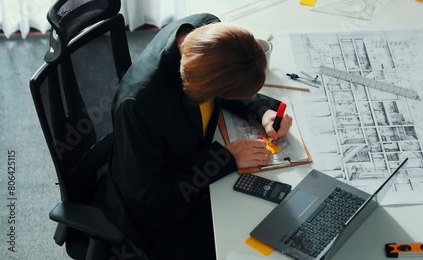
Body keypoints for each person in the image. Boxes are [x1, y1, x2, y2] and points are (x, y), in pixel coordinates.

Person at [98, 13, 293, 259]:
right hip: (158, 211)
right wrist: (224, 158)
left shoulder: (205, 29)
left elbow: (228, 72)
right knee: (248, 243)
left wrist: (262, 109)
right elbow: (151, 194)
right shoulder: (141, 106)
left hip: (189, 163)